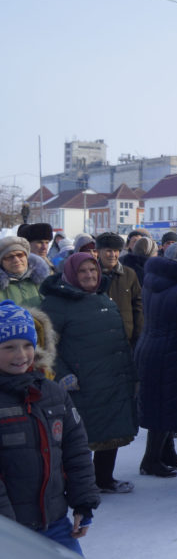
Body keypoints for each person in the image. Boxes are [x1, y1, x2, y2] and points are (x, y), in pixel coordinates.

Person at [0, 301, 101, 555]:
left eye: (27, 345)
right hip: (9, 530)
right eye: (9, 347)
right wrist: (8, 529)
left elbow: (75, 450)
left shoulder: (52, 393)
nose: (21, 355)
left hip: (54, 522)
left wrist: (83, 502)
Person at [40, 253, 138, 494]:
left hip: (111, 377)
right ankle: (75, 485)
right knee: (76, 438)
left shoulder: (102, 297)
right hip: (80, 382)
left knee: (111, 430)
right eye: (83, 271)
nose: (90, 275)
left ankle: (103, 479)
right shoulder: (56, 304)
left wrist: (129, 372)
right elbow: (46, 346)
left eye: (93, 270)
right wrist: (62, 374)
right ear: (71, 274)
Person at [135, 242, 177, 479]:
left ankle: (166, 453)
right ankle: (151, 460)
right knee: (164, 407)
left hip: (150, 345)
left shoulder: (153, 279)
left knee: (162, 404)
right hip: (170, 348)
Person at [96, 232, 144, 348]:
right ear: (98, 252)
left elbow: (138, 305)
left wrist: (137, 334)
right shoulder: (92, 275)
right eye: (108, 250)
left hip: (125, 338)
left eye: (116, 250)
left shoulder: (129, 274)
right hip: (99, 338)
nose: (113, 254)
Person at [0, 236, 49, 308]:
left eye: (20, 255)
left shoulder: (44, 282)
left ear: (26, 257)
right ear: (1, 262)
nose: (16, 260)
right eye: (9, 257)